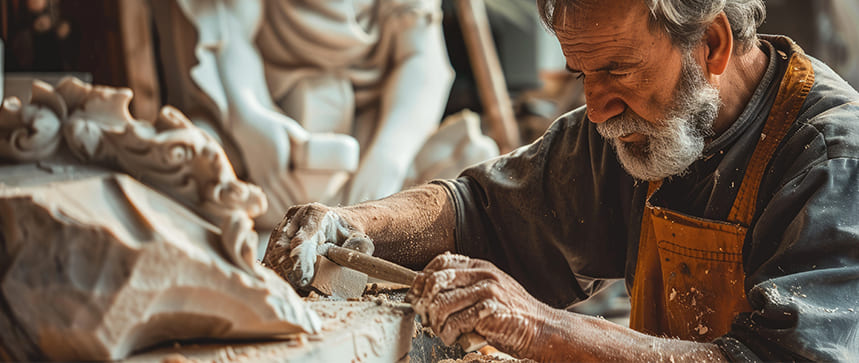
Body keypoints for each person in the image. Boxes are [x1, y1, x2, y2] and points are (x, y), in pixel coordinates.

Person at [264, 0, 859, 361]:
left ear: (711, 43)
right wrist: (349, 221)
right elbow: (480, 210)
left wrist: (538, 327)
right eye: (580, 73)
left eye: (617, 69)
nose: (595, 108)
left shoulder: (830, 160)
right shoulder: (637, 126)